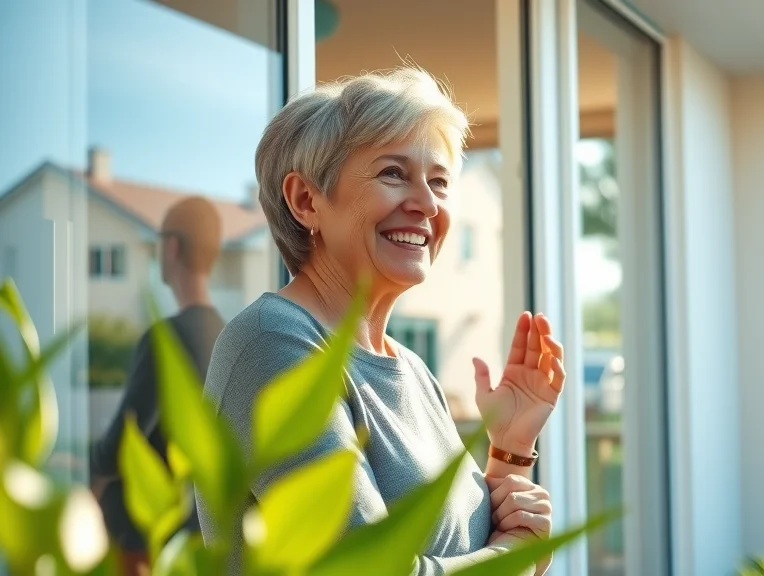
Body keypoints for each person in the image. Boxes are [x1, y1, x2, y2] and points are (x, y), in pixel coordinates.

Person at [197, 66, 564, 576]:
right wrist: (516, 560)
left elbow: (453, 544)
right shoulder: (273, 344)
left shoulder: (411, 369)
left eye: (438, 181)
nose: (427, 204)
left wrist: (510, 447)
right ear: (306, 201)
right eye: (393, 173)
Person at [91, 196, 227, 575]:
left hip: (145, 541)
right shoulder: (228, 336)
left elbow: (121, 442)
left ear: (172, 247)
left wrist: (88, 478)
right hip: (197, 538)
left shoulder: (164, 339)